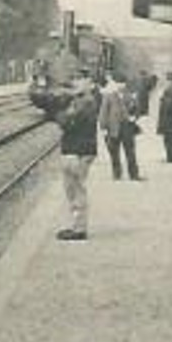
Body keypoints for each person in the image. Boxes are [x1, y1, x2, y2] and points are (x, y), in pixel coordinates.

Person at [53, 73, 101, 241]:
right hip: (80, 150)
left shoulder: (83, 105)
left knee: (75, 189)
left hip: (77, 151)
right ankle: (77, 226)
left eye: (75, 84)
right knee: (75, 189)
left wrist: (60, 113)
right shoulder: (87, 102)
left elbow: (67, 123)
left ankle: (79, 228)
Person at [97, 71, 142, 182]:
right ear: (115, 84)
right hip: (113, 127)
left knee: (130, 152)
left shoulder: (130, 95)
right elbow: (103, 112)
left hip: (127, 127)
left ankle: (134, 174)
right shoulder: (109, 96)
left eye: (123, 83)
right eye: (119, 83)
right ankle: (117, 174)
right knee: (114, 152)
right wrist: (103, 127)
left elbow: (138, 109)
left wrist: (135, 117)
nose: (121, 86)